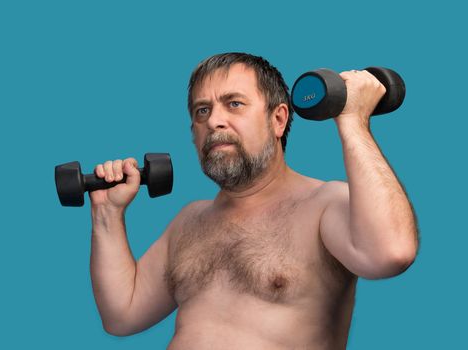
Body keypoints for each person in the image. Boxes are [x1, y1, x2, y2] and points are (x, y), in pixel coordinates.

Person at [88, 52, 419, 349]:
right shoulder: (190, 220)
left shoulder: (324, 204)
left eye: (234, 104)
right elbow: (122, 315)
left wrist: (353, 121)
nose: (214, 121)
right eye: (202, 111)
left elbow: (391, 253)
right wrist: (107, 213)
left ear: (278, 119)